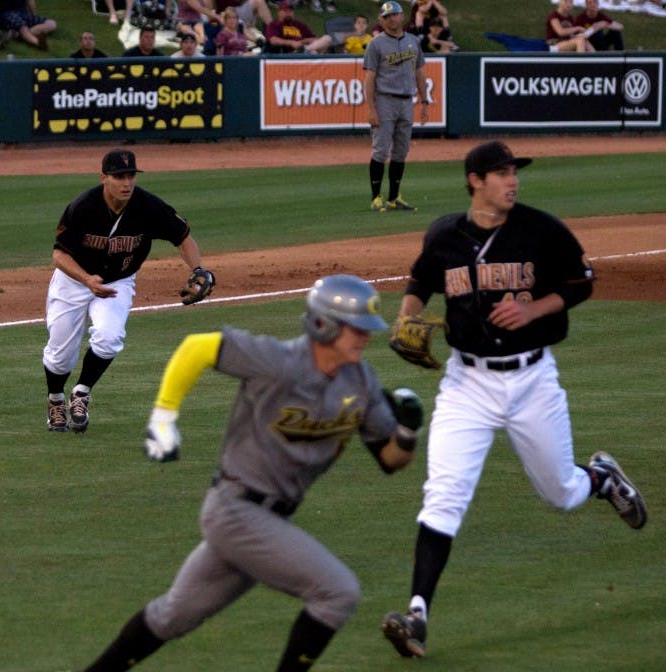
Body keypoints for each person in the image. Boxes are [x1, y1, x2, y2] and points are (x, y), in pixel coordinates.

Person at [380, 140, 647, 659]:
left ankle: (600, 478)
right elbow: (419, 281)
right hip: (467, 385)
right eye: (501, 173)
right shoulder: (445, 236)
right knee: (444, 495)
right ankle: (416, 616)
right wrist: (406, 314)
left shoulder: (540, 229)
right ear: (475, 180)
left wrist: (535, 310)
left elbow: (581, 282)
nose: (513, 180)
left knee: (560, 492)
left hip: (531, 382)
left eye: (514, 172)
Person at [76, 274, 424, 672]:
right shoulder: (278, 361)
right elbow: (198, 347)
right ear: (323, 324)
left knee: (171, 616)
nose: (365, 336)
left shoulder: (360, 381)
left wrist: (409, 431)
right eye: (356, 328)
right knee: (338, 592)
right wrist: (164, 417)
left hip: (268, 519)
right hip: (236, 509)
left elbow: (390, 460)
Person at [42, 149, 212, 434]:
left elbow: (183, 238)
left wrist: (198, 269)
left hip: (117, 281)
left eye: (130, 175)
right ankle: (55, 400)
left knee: (110, 337)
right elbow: (59, 255)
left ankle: (81, 393)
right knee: (60, 356)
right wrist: (86, 280)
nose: (126, 182)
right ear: (103, 178)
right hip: (73, 281)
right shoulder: (83, 206)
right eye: (119, 176)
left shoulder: (148, 207)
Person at [363, 1, 428, 213]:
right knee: (381, 150)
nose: (392, 19)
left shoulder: (412, 41)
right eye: (387, 16)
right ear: (381, 20)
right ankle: (376, 198)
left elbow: (419, 72)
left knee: (401, 151)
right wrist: (371, 108)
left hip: (406, 100)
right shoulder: (376, 44)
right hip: (385, 99)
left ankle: (394, 197)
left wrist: (425, 100)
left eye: (395, 15)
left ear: (402, 16)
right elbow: (369, 78)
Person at [265, 1, 333, 54]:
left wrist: (303, 41)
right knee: (313, 52)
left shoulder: (299, 24)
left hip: (305, 48)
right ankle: (305, 51)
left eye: (290, 11)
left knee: (327, 38)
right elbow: (273, 40)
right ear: (279, 12)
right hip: (288, 52)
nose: (288, 13)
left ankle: (305, 50)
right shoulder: (274, 24)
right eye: (285, 11)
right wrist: (291, 43)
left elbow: (313, 38)